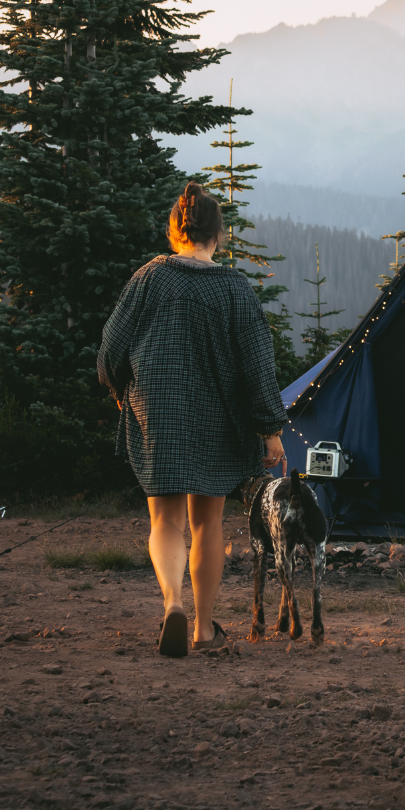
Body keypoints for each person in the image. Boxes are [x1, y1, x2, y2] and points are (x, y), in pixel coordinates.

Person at [98, 182, 288, 657]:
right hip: (217, 419)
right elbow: (257, 365)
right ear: (218, 236)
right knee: (208, 522)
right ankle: (204, 629)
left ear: (174, 231)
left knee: (163, 519)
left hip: (156, 411)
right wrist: (271, 431)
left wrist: (124, 395)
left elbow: (109, 353)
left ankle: (172, 605)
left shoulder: (147, 279)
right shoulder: (234, 288)